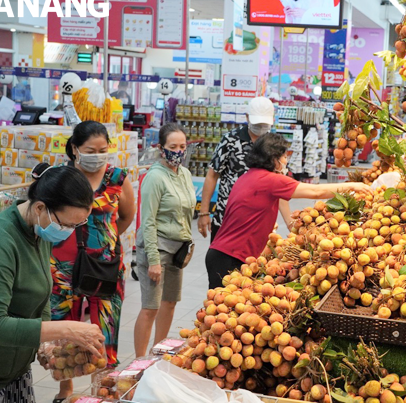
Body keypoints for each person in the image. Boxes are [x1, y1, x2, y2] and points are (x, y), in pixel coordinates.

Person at [0, 163, 103, 402]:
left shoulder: (39, 230)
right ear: (40, 207)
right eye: (65, 224)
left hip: (15, 368)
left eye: (76, 225)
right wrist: (65, 329)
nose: (68, 232)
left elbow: (41, 293)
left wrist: (44, 343)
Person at [205, 133, 372, 288]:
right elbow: (315, 192)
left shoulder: (249, 176)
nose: (286, 161)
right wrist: (351, 186)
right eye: (284, 157)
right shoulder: (269, 179)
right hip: (229, 258)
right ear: (274, 159)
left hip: (223, 253)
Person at [50, 121, 136, 402]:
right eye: (90, 150)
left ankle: (102, 391)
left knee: (106, 328)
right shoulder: (60, 178)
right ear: (75, 149)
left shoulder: (117, 178)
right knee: (65, 328)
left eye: (103, 150)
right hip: (62, 266)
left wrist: (104, 243)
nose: (97, 155)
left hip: (105, 267)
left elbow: (125, 217)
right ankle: (66, 392)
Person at [133, 123, 196, 357]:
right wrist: (153, 260)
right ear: (162, 148)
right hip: (156, 249)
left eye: (182, 146)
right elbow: (147, 221)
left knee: (170, 303)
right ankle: (139, 362)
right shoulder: (154, 178)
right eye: (173, 146)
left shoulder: (186, 174)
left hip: (177, 249)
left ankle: (158, 354)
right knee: (151, 307)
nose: (178, 151)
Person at [199, 96, 291, 242]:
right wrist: (204, 213)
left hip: (260, 222)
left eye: (264, 123)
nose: (261, 127)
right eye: (257, 123)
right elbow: (212, 175)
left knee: (255, 264)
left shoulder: (275, 144)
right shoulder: (230, 140)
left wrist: (290, 223)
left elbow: (279, 186)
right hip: (227, 219)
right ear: (247, 117)